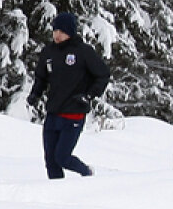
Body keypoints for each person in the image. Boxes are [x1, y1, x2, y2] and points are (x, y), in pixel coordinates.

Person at [26, 12, 110, 178]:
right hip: (53, 112)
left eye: (62, 31)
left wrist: (89, 95)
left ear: (70, 32)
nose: (57, 35)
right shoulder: (48, 52)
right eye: (55, 30)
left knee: (62, 157)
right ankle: (57, 193)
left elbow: (103, 74)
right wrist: (35, 94)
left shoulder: (83, 51)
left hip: (74, 112)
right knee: (50, 160)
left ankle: (87, 172)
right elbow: (41, 77)